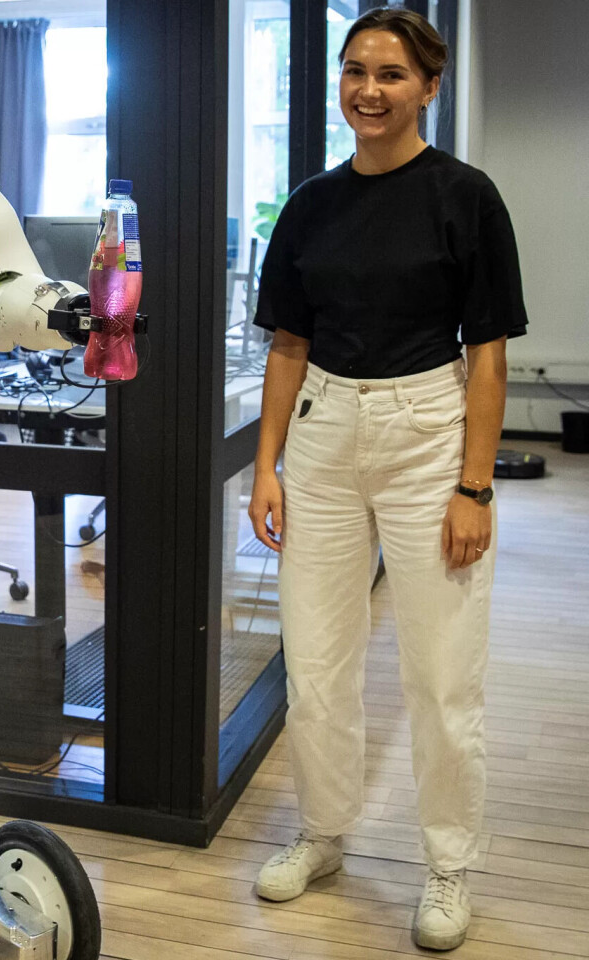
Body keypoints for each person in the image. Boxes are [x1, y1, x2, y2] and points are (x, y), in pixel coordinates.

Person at [247, 7, 527, 952]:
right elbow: (289, 344)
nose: (369, 90)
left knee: (441, 672)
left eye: (392, 74)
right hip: (323, 436)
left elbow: (488, 355)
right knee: (316, 662)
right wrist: (267, 468)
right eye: (356, 71)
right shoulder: (311, 204)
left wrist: (474, 487)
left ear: (428, 88)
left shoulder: (466, 197)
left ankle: (448, 863)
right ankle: (323, 833)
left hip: (427, 435)